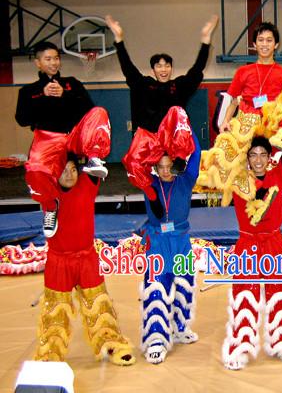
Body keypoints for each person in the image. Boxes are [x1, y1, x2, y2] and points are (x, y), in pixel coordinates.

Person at [198, 22, 282, 219]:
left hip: (274, 126)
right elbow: (233, 101)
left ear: (276, 44)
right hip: (248, 123)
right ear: (254, 44)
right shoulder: (243, 72)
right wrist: (226, 121)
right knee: (236, 161)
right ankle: (248, 197)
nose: (264, 44)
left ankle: (272, 194)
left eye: (269, 40)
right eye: (260, 40)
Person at [105, 14, 217, 201]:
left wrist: (205, 41)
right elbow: (128, 68)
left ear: (171, 69)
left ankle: (180, 159)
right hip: (150, 138)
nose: (163, 69)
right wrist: (119, 40)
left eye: (167, 66)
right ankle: (151, 194)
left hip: (172, 139)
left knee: (177, 111)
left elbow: (196, 69)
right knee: (131, 163)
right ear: (153, 70)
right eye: (159, 66)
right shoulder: (145, 84)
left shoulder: (178, 86)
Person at [34, 157, 134, 366]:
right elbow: (38, 159)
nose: (69, 174)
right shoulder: (47, 192)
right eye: (64, 170)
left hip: (86, 258)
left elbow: (90, 149)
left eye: (73, 169)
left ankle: (111, 344)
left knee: (99, 306)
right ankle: (50, 353)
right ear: (54, 173)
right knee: (55, 311)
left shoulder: (88, 184)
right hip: (58, 261)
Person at [222, 136, 282, 370]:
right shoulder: (238, 179)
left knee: (280, 290)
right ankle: (240, 344)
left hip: (273, 242)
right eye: (253, 154)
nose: (258, 159)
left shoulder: (278, 175)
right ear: (247, 158)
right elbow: (229, 151)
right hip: (247, 244)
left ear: (269, 157)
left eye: (263, 154)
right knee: (244, 294)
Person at [15, 41, 111, 238]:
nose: (53, 63)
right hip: (47, 138)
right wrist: (43, 95)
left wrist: (65, 95)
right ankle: (50, 207)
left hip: (74, 135)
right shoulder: (27, 91)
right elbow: (22, 119)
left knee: (100, 112)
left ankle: (94, 157)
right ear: (38, 63)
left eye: (56, 58)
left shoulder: (72, 84)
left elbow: (89, 111)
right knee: (33, 171)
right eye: (48, 59)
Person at [139, 132, 201, 364]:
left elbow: (196, 154)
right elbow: (134, 159)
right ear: (155, 166)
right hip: (157, 242)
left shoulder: (185, 181)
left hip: (181, 241)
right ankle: (156, 339)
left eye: (169, 166)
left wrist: (184, 127)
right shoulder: (148, 182)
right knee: (156, 288)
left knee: (185, 284)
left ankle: (180, 326)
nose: (165, 171)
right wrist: (156, 139)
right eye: (160, 166)